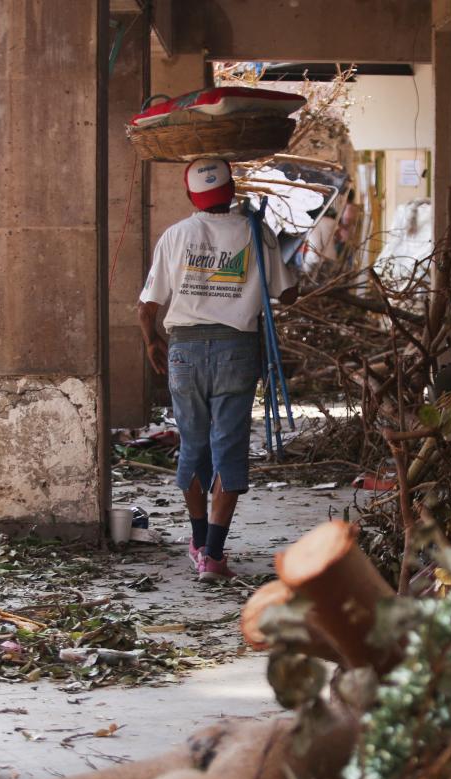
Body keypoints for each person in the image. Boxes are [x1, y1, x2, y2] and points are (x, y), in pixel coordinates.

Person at [138, 158, 297, 579]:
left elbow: (148, 305)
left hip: (184, 351)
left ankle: (196, 540)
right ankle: (212, 554)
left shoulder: (175, 236)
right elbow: (289, 293)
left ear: (192, 196)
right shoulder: (256, 231)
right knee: (228, 449)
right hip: (236, 350)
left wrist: (153, 340)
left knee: (193, 445)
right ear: (231, 192)